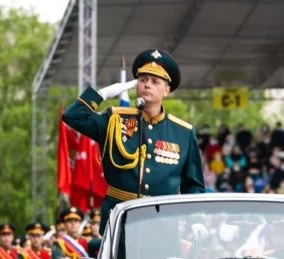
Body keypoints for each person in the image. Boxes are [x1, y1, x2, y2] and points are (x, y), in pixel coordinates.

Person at [62, 48, 205, 233]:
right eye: (143, 80)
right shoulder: (114, 120)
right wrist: (103, 93)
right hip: (120, 220)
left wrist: (195, 220)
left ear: (167, 90)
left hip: (164, 223)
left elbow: (193, 185)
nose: (147, 85)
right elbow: (72, 116)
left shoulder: (183, 133)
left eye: (155, 81)